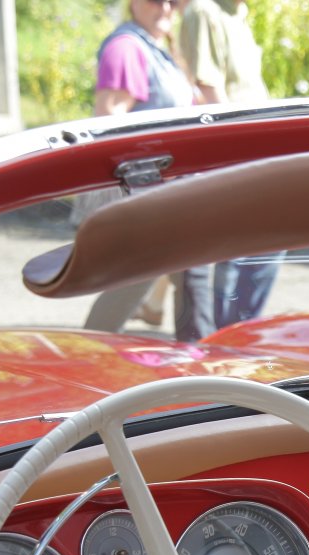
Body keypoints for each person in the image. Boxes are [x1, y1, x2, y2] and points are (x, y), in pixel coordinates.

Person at [83, 0, 213, 340]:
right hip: (150, 195)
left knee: (187, 280)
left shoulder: (157, 49)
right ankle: (88, 352)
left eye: (175, 1)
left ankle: (198, 358)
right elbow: (108, 124)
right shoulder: (126, 48)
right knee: (141, 281)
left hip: (176, 194)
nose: (167, 8)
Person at [178, 0, 281, 329]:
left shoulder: (239, 14)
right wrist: (243, 147)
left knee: (271, 244)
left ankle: (239, 332)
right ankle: (224, 338)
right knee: (236, 253)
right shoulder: (205, 11)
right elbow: (209, 88)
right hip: (234, 149)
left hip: (257, 146)